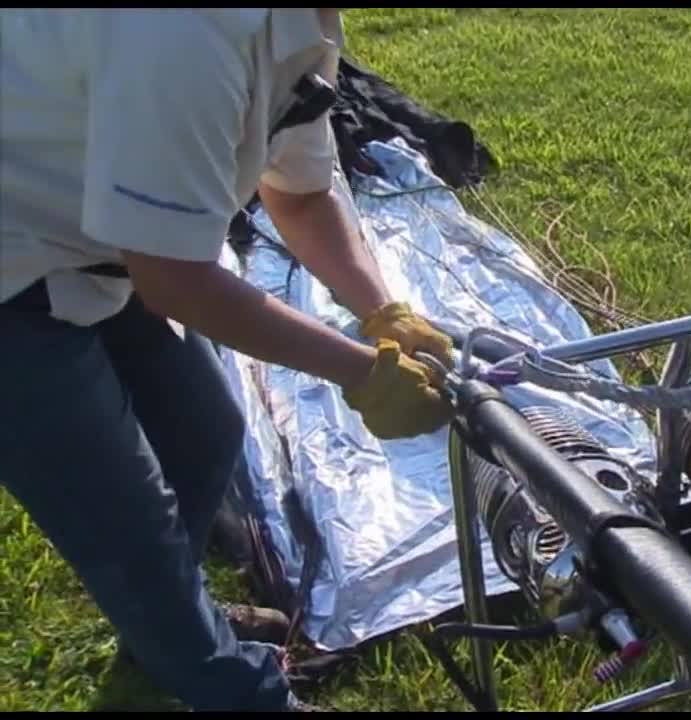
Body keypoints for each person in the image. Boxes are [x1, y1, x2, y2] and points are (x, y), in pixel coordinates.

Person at [0, 9, 456, 712]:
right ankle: (223, 680)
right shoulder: (186, 32)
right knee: (122, 516)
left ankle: (169, 627)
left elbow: (299, 196)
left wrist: (381, 311)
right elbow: (174, 278)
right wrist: (363, 372)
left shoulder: (301, 22)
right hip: (13, 262)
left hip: (90, 234)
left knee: (203, 431)